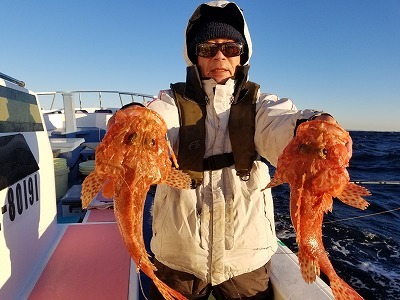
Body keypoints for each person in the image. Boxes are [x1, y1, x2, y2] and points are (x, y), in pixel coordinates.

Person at [146, 1, 349, 299]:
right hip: (178, 254)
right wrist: (137, 124)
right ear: (193, 55)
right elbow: (155, 123)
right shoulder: (170, 102)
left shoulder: (260, 104)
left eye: (230, 47)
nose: (219, 56)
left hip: (245, 256)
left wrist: (310, 126)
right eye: (207, 48)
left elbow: (281, 127)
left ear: (242, 54)